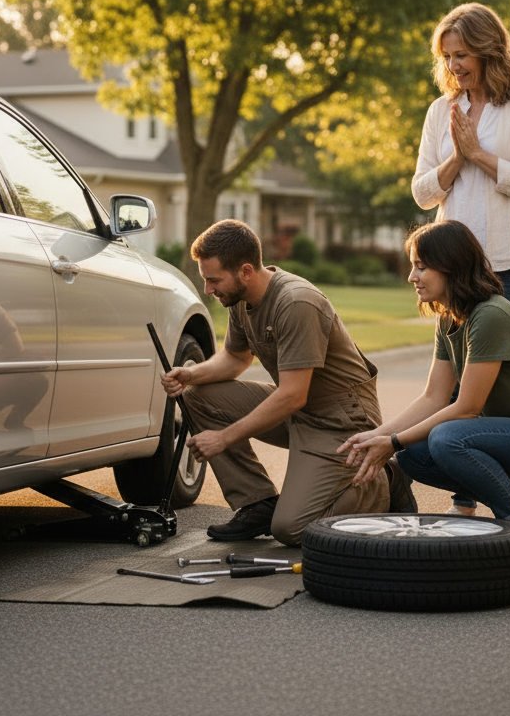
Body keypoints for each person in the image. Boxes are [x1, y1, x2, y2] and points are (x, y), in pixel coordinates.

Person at [338, 221, 510, 558]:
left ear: (451, 265)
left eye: (421, 266)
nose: (412, 277)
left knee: (447, 439)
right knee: (414, 455)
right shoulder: (450, 318)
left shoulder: (490, 315)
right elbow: (433, 396)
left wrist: (392, 441)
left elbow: (467, 407)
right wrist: (381, 436)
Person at [160, 219, 416, 545]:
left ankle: (386, 480)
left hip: (342, 421)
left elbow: (293, 395)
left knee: (292, 529)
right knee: (198, 395)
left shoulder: (296, 302)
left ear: (246, 271)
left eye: (213, 280)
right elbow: (237, 358)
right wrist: (190, 374)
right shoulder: (240, 299)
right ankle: (257, 503)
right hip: (299, 408)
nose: (208, 290)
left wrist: (223, 438)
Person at [412, 1, 510, 519]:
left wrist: (480, 155)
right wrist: (456, 156)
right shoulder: (439, 112)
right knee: (450, 385)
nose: (454, 66)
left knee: (508, 393)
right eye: (448, 57)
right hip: (456, 276)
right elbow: (423, 192)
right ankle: (469, 500)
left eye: (463, 54)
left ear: (489, 50)